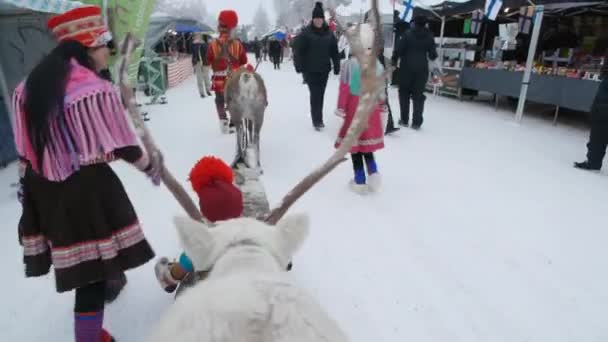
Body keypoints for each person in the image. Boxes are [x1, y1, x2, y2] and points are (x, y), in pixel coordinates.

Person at [12, 6, 159, 342]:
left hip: (43, 187)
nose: (108, 51)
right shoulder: (95, 89)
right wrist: (151, 168)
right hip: (85, 190)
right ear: (86, 47)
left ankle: (92, 329)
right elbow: (122, 144)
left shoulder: (28, 87)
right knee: (91, 276)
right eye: (103, 44)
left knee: (86, 269)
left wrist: (27, 193)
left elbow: (25, 149)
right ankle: (89, 338)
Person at [154, 156, 244, 292]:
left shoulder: (204, 242)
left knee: (191, 257)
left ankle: (169, 276)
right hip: (244, 277)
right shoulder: (247, 231)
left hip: (215, 286)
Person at [334, 25, 385, 194]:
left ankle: (360, 180)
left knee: (355, 147)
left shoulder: (350, 64)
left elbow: (344, 88)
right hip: (372, 107)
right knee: (367, 146)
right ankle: (374, 173)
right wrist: (382, 104)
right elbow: (382, 89)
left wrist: (341, 108)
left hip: (355, 108)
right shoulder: (377, 64)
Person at [294, 1, 340, 131]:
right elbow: (298, 51)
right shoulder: (306, 33)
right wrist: (299, 66)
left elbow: (334, 51)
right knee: (315, 95)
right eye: (316, 19)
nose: (318, 21)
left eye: (320, 19)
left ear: (323, 19)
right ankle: (317, 120)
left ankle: (318, 118)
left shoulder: (329, 33)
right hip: (310, 70)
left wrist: (337, 66)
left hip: (324, 70)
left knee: (321, 94)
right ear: (313, 19)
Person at [392, 15, 438, 129]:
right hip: (422, 69)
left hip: (406, 68)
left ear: (414, 23)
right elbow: (433, 55)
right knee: (418, 95)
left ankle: (404, 120)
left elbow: (398, 50)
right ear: (425, 24)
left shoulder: (407, 34)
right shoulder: (429, 36)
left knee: (404, 94)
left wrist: (394, 61)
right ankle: (417, 122)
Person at [206, 10, 248, 134]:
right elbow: (243, 60)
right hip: (234, 76)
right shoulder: (237, 44)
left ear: (220, 26)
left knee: (219, 99)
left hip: (218, 77)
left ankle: (223, 120)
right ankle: (234, 123)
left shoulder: (213, 44)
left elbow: (208, 60)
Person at [574, 66, 608, 171]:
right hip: (602, 109)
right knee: (598, 139)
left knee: (597, 139)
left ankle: (593, 163)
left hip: (603, 110)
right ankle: (593, 162)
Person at [192, 33, 212, 98]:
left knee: (206, 77)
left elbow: (208, 51)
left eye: (198, 36)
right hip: (198, 63)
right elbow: (192, 53)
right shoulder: (193, 44)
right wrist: (195, 44)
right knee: (199, 78)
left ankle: (208, 90)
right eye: (196, 36)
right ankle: (202, 93)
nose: (197, 37)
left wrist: (202, 44)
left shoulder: (206, 44)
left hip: (205, 63)